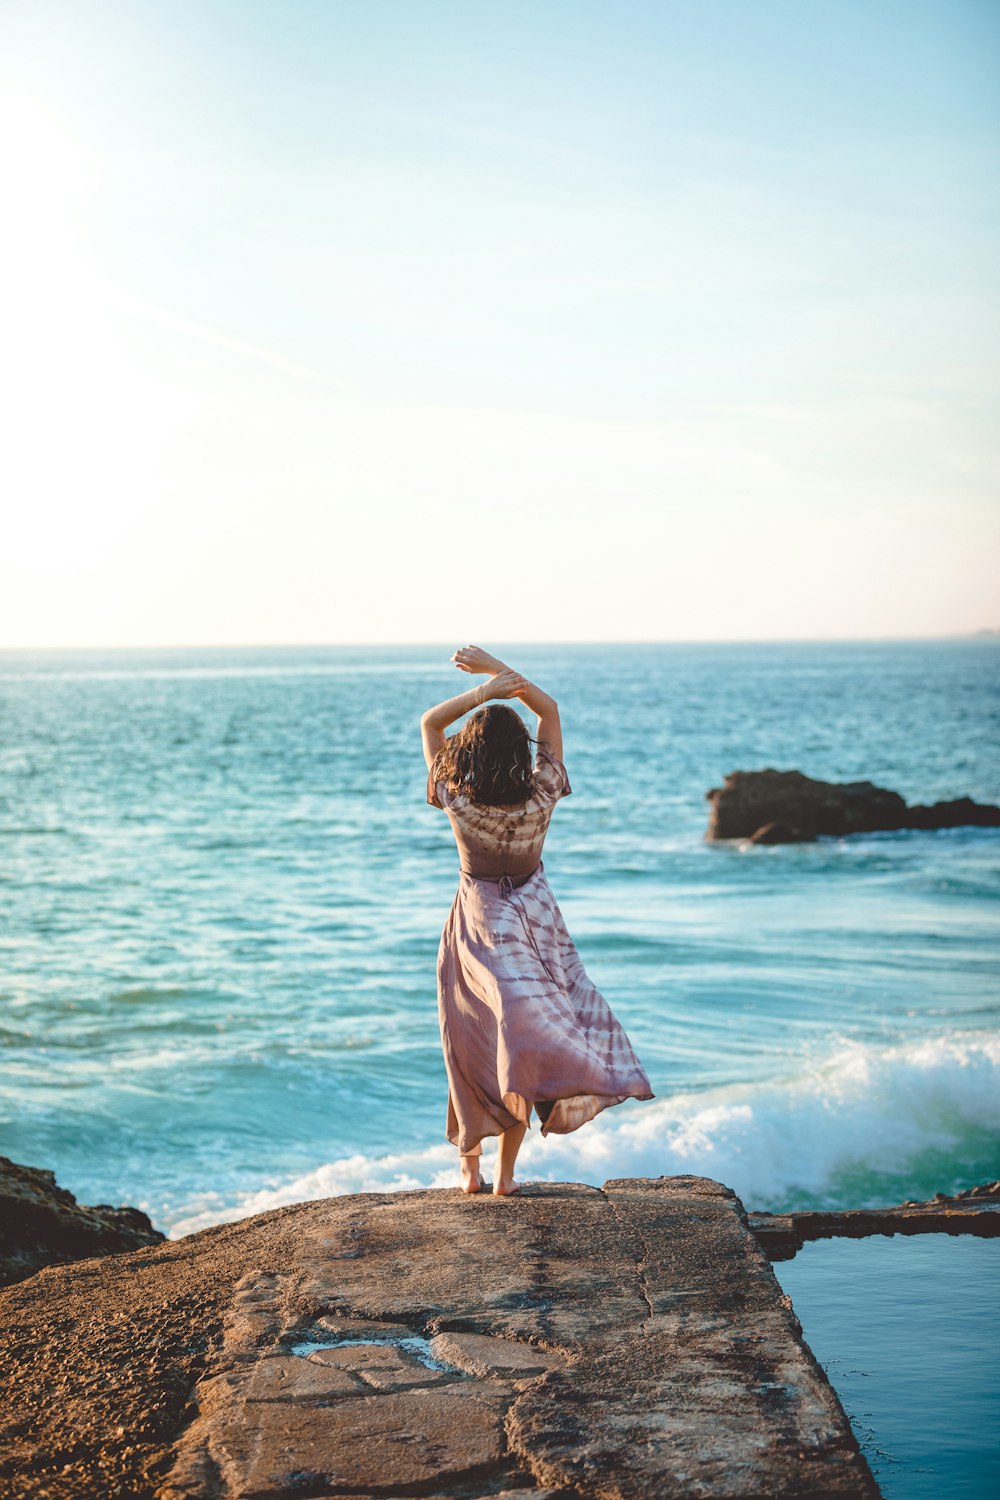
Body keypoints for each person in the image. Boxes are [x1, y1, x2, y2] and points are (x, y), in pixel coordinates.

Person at [421, 645, 654, 1196]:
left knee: (471, 1041)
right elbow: (549, 713)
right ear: (520, 752)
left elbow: (431, 721)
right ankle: (504, 1176)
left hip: (479, 926)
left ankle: (471, 1169)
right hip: (538, 923)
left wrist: (484, 691)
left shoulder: (455, 795)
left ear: (468, 754)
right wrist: (503, 673)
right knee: (521, 1048)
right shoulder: (544, 789)